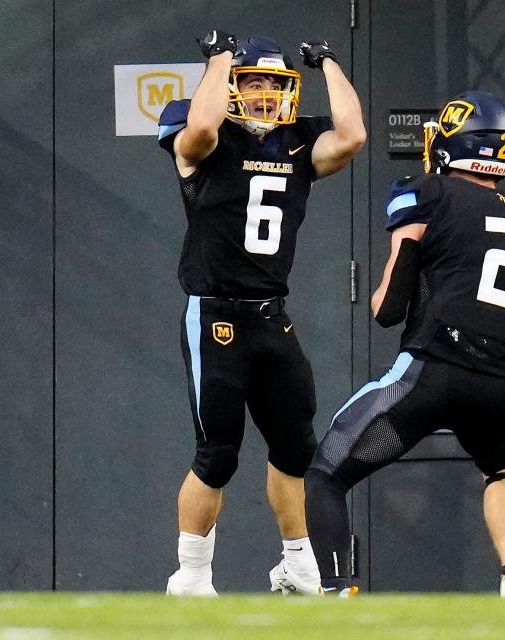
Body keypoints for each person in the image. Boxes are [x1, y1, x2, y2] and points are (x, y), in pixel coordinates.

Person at [304, 91, 505, 597]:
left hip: (429, 375)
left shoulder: (425, 193)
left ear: (450, 145)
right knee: (502, 470)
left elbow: (387, 309)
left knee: (325, 476)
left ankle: (338, 594)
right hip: (499, 386)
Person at [157, 30, 366, 596]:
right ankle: (192, 574)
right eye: (253, 83)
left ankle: (299, 563)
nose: (266, 95)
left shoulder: (297, 143)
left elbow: (352, 135)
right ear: (229, 87)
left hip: (272, 316)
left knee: (296, 446)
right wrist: (220, 60)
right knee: (218, 453)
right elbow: (199, 128)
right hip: (216, 315)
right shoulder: (203, 136)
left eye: (274, 84)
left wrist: (328, 64)